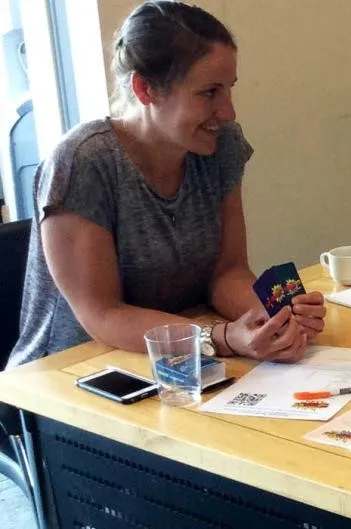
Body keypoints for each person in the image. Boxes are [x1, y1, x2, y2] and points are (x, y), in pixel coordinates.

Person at [8, 1, 325, 368]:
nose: (228, 111)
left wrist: (275, 318)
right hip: (73, 373)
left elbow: (227, 273)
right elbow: (103, 315)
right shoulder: (84, 161)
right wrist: (219, 337)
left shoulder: (221, 146)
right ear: (145, 89)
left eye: (229, 89)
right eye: (209, 92)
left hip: (178, 361)